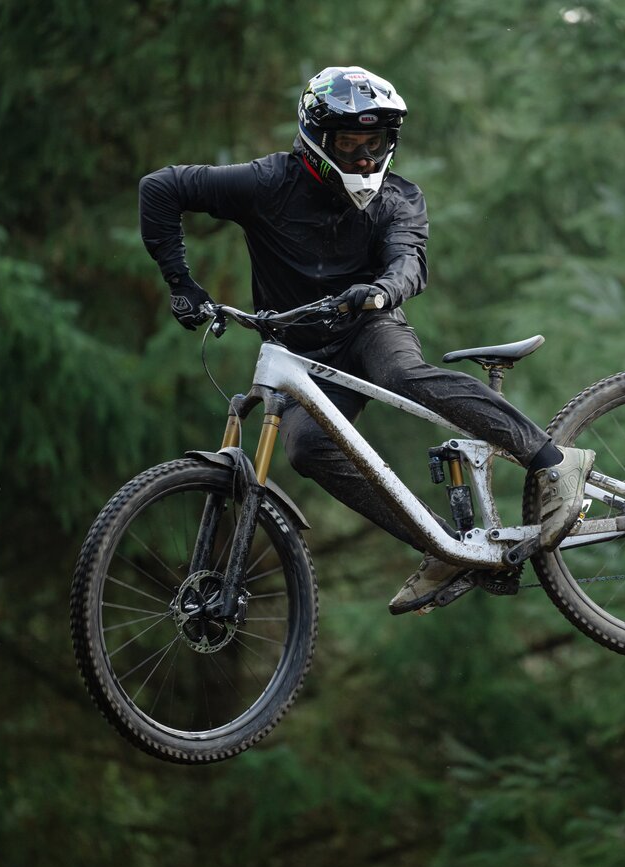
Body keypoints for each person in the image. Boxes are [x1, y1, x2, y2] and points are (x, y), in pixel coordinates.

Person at [139, 65, 594, 614]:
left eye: (373, 142)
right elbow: (160, 189)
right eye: (350, 142)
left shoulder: (398, 198)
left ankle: (553, 461)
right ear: (316, 139)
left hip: (370, 326)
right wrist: (180, 282)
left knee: (400, 374)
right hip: (302, 351)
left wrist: (380, 292)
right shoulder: (266, 183)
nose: (363, 157)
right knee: (307, 447)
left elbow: (410, 262)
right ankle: (440, 547)